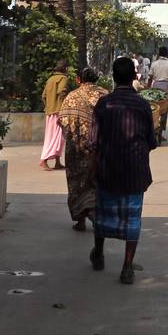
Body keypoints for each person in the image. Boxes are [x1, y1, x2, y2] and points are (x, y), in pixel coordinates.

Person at [89, 57, 157, 284]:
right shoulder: (143, 105)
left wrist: (92, 169)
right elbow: (151, 140)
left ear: (113, 77)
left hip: (107, 168)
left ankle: (98, 253)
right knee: (132, 217)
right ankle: (127, 266)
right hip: (134, 170)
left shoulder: (103, 103)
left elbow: (94, 141)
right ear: (134, 77)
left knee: (102, 212)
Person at [57, 68, 105, 231]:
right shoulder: (104, 95)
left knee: (76, 183)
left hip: (76, 149)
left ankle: (81, 219)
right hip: (98, 149)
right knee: (96, 182)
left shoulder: (72, 97)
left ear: (79, 79)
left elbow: (61, 122)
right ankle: (96, 214)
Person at [39, 63, 73, 171]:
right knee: (56, 137)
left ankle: (57, 162)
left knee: (56, 137)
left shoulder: (50, 79)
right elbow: (61, 92)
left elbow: (43, 96)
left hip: (50, 112)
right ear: (65, 69)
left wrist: (48, 106)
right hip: (59, 112)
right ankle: (44, 160)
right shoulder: (63, 78)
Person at [149, 46, 168, 113]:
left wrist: (148, 88)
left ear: (159, 54)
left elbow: (150, 78)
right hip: (166, 86)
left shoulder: (154, 64)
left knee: (154, 104)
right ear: (167, 54)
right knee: (167, 103)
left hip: (156, 86)